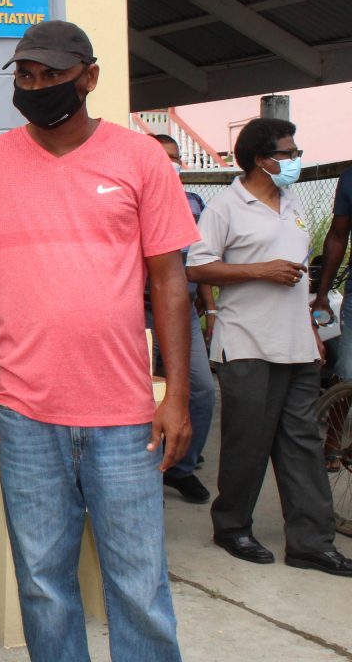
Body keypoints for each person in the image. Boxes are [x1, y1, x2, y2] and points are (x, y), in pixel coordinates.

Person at [0, 20, 194, 662]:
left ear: (89, 77)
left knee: (138, 588)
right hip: (26, 416)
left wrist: (178, 397)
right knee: (43, 587)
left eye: (52, 75)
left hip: (125, 417)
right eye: (26, 76)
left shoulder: (140, 159)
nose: (36, 87)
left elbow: (171, 282)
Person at [186, 118, 352, 577]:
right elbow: (197, 268)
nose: (296, 160)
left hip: (296, 344)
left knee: (302, 443)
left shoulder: (293, 202)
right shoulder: (226, 208)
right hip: (248, 343)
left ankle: (311, 542)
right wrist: (259, 270)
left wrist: (312, 330)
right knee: (247, 443)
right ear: (262, 159)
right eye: (288, 153)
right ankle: (232, 526)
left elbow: (296, 276)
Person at [146, 134, 218, 504]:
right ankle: (145, 472)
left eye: (175, 157)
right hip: (140, 311)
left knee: (201, 391)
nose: (170, 164)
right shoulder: (137, 198)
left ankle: (181, 468)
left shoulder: (194, 203)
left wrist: (210, 309)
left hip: (185, 310)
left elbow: (199, 262)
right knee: (145, 394)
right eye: (163, 157)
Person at [312, 165, 352, 382]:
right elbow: (338, 235)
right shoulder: (349, 179)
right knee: (347, 372)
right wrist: (322, 294)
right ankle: (334, 415)